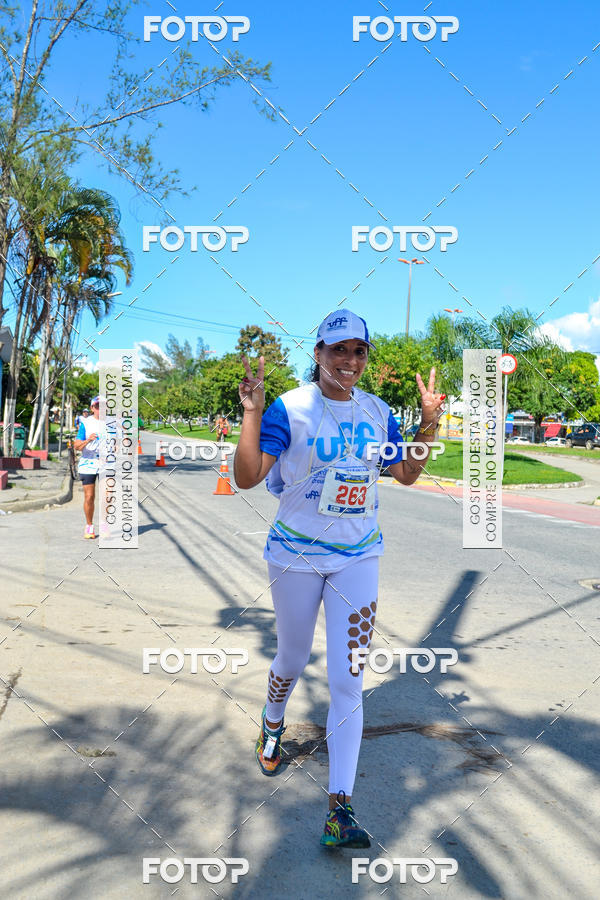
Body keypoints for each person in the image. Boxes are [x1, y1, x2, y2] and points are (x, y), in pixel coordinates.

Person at [234, 309, 445, 849]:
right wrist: (252, 414)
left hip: (358, 555)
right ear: (319, 353)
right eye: (339, 349)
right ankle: (273, 720)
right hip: (296, 554)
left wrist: (428, 423)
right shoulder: (291, 408)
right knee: (292, 657)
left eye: (359, 351)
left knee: (349, 678)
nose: (349, 360)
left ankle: (340, 810)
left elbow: (406, 472)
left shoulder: (377, 412)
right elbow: (247, 476)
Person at [74, 396, 107, 539]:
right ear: (92, 408)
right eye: (98, 406)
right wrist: (88, 440)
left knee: (107, 496)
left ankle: (105, 524)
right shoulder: (86, 423)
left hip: (106, 463)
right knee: (89, 497)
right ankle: (89, 525)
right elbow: (77, 446)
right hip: (88, 463)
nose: (101, 409)